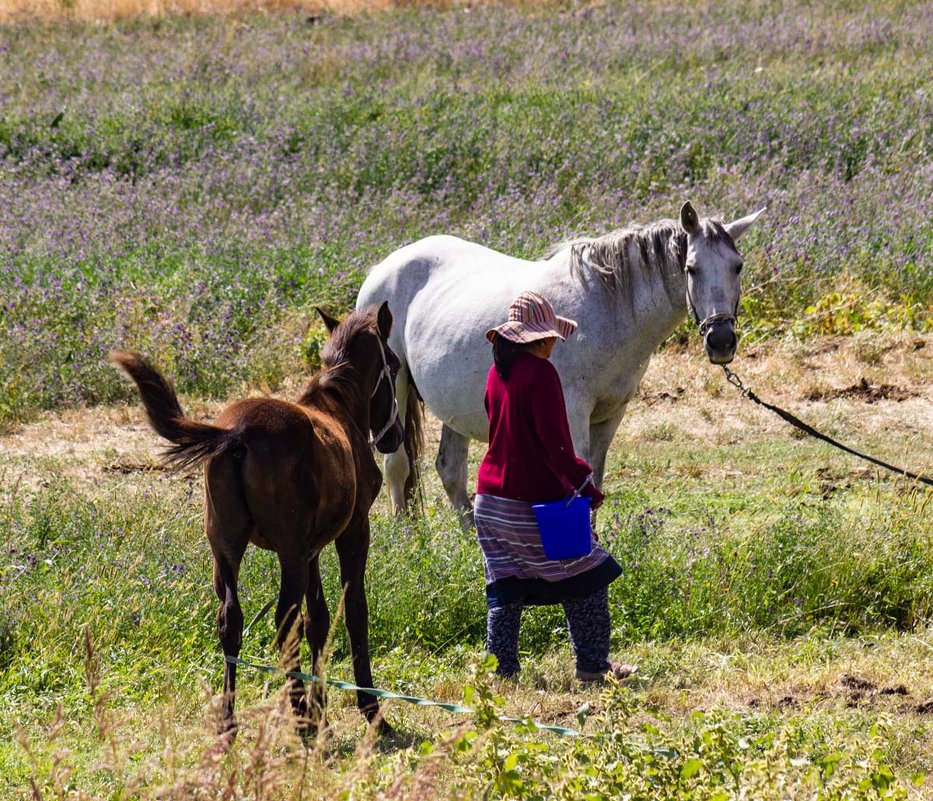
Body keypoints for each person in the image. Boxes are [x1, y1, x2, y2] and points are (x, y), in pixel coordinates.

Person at [475, 291, 637, 682]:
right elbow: (557, 445)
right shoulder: (542, 374)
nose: (553, 344)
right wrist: (586, 486)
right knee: (588, 576)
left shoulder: (498, 374)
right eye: (548, 338)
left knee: (506, 586)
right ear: (534, 339)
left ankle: (502, 673)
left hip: (488, 502)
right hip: (533, 503)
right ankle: (593, 666)